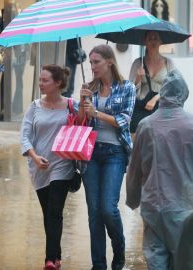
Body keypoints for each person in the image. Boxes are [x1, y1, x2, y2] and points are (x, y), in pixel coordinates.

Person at [126, 70, 193, 270]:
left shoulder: (145, 125)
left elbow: (135, 167)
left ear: (163, 94)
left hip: (155, 206)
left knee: (156, 258)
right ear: (183, 94)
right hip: (191, 207)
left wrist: (132, 199)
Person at [78, 44, 135, 270]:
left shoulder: (126, 87)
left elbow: (124, 120)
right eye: (90, 62)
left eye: (96, 62)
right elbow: (82, 122)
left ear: (110, 61)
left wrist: (97, 113)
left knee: (108, 209)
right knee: (93, 212)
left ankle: (119, 249)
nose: (92, 67)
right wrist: (83, 105)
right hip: (90, 153)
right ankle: (98, 265)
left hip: (115, 153)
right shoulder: (89, 88)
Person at [20, 64, 76, 270]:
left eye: (45, 80)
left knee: (55, 210)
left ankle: (50, 259)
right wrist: (35, 157)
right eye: (40, 80)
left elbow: (84, 126)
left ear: (58, 83)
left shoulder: (72, 105)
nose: (40, 84)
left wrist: (87, 100)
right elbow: (24, 136)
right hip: (39, 167)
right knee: (48, 213)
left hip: (62, 164)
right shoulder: (34, 106)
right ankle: (57, 255)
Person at [129, 31, 175, 136]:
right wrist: (138, 78)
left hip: (163, 109)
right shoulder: (138, 63)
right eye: (149, 38)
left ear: (160, 41)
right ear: (145, 41)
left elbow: (174, 86)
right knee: (140, 141)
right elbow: (129, 90)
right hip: (141, 110)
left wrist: (155, 98)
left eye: (155, 38)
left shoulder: (169, 63)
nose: (153, 41)